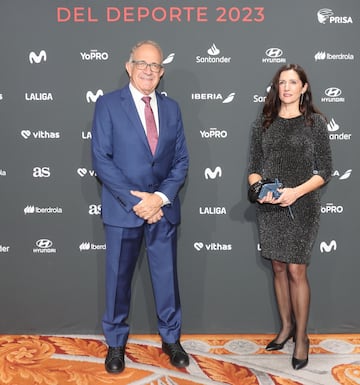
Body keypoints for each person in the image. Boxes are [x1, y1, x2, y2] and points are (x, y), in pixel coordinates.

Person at [91, 40, 190, 374]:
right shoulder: (107, 105)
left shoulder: (172, 108)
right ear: (128, 66)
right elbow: (102, 160)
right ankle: (116, 345)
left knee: (167, 279)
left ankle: (171, 340)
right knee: (118, 281)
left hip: (162, 210)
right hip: (124, 211)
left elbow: (180, 161)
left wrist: (159, 199)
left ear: (161, 72)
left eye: (156, 66)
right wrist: (139, 202)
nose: (149, 70)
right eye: (142, 63)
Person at [247, 64, 332, 370]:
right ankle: (285, 327)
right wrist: (258, 188)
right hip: (270, 207)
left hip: (302, 206)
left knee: (297, 270)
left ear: (304, 88)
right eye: (281, 82)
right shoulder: (264, 123)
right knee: (279, 268)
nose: (286, 87)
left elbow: (325, 170)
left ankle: (303, 336)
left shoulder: (316, 124)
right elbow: (254, 167)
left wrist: (296, 192)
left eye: (292, 82)